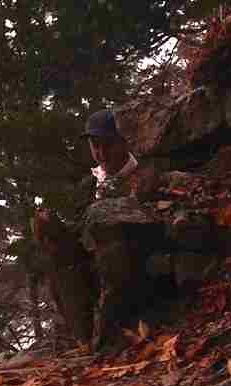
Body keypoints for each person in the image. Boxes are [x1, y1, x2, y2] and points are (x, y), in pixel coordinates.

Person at [30, 109, 150, 351]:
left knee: (111, 254)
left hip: (132, 262)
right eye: (95, 146)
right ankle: (84, 340)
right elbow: (80, 230)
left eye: (108, 145)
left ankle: (108, 336)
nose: (101, 153)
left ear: (123, 142)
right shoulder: (90, 184)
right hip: (93, 264)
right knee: (57, 252)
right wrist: (52, 229)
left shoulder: (144, 176)